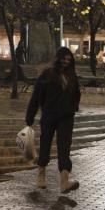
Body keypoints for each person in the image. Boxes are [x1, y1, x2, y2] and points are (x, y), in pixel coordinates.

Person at [25, 46, 81, 193]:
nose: (66, 62)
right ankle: (41, 175)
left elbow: (77, 93)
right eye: (64, 59)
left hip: (66, 117)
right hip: (49, 115)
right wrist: (30, 115)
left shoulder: (71, 76)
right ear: (58, 59)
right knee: (45, 144)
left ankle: (64, 181)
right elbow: (36, 96)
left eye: (69, 60)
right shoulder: (47, 75)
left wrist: (73, 107)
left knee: (64, 147)